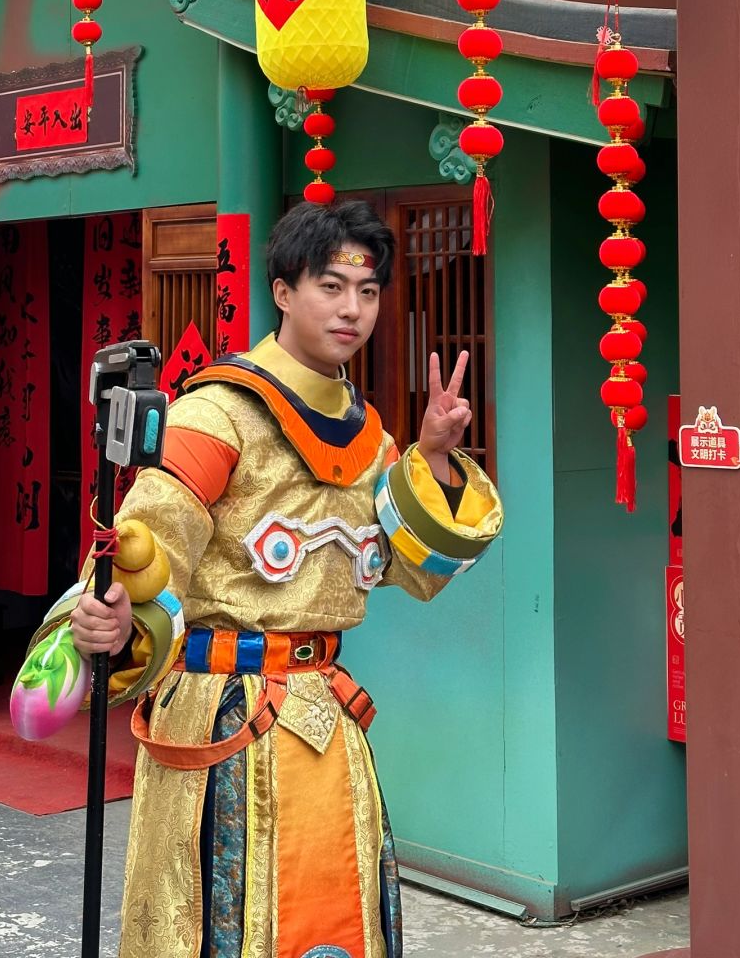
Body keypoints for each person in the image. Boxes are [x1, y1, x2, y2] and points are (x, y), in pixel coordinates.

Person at [71, 199, 503, 958]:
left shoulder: (370, 440)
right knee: (219, 919)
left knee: (334, 915)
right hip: (220, 714)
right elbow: (147, 538)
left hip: (324, 715)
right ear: (281, 290)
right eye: (331, 287)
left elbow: (410, 566)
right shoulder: (218, 412)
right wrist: (112, 614)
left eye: (368, 293)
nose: (352, 310)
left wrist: (432, 456)